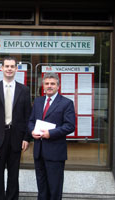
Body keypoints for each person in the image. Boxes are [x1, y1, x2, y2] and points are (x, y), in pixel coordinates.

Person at [0, 56, 31, 200]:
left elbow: (27, 116)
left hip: (16, 136)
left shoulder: (24, 89)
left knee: (14, 172)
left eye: (12, 66)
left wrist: (26, 137)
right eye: (7, 66)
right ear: (2, 68)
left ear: (16, 69)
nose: (9, 69)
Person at [28, 72, 75, 200]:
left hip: (55, 152)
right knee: (41, 187)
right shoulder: (38, 101)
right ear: (43, 85)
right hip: (39, 152)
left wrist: (51, 134)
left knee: (55, 188)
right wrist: (32, 131)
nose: (49, 86)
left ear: (58, 86)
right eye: (47, 83)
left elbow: (70, 126)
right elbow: (31, 121)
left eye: (52, 84)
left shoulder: (66, 103)